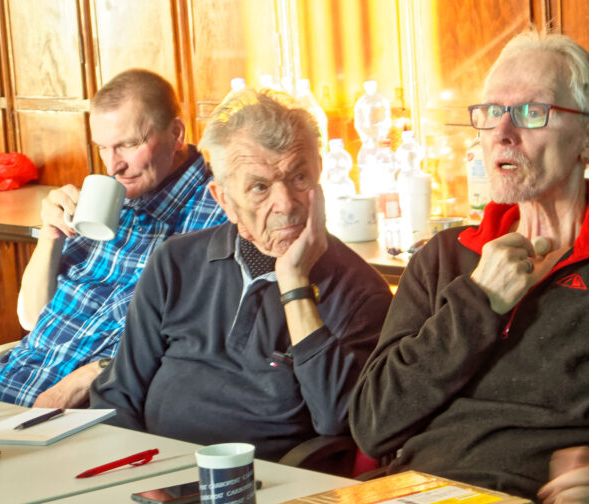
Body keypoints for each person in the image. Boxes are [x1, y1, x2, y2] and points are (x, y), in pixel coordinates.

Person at [349, 30, 589, 504]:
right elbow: (373, 425)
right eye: (491, 111)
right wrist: (478, 301)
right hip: (405, 497)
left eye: (531, 112)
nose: (503, 132)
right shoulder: (442, 257)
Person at [90, 88, 392, 461]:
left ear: (319, 175)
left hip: (269, 482)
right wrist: (132, 474)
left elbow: (337, 420)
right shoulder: (175, 263)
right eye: (260, 187)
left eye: (299, 177)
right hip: (153, 473)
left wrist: (294, 284)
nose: (285, 204)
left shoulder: (361, 292)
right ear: (224, 199)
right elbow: (118, 394)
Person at [0, 69, 227, 408]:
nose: (113, 166)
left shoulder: (222, 212)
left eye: (128, 145)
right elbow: (32, 318)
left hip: (86, 413)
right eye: (103, 147)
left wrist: (91, 375)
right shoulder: (104, 200)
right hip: (8, 387)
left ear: (176, 133)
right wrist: (50, 237)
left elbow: (205, 342)